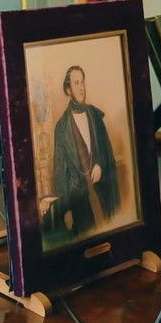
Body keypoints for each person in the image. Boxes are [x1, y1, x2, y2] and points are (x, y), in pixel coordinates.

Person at [45, 66, 119, 237]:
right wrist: (67, 210)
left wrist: (100, 164)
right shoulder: (61, 128)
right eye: (76, 83)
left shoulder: (95, 116)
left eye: (82, 82)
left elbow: (107, 150)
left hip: (104, 192)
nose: (81, 88)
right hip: (79, 199)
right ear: (68, 90)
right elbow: (60, 172)